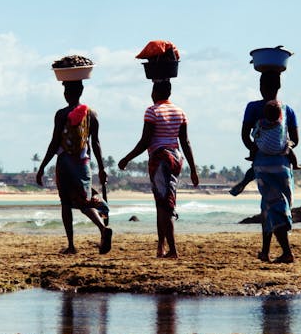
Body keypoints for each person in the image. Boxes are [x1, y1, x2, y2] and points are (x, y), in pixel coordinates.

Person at [118, 80, 199, 259]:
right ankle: (161, 247)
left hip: (160, 159)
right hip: (176, 159)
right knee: (161, 204)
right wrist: (193, 169)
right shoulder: (180, 112)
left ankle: (172, 250)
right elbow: (185, 142)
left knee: (165, 206)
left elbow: (145, 141)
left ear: (155, 92)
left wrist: (127, 158)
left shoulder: (152, 111)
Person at [36, 80, 112, 255]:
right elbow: (96, 143)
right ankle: (102, 228)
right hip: (84, 164)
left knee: (65, 203)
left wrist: (42, 167)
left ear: (66, 93)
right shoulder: (92, 114)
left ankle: (71, 245)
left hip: (65, 163)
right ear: (82, 90)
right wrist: (101, 168)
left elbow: (55, 142)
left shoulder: (61, 114)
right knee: (84, 200)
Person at [240, 71, 299, 263]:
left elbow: (244, 135)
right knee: (272, 207)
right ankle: (265, 252)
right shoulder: (288, 109)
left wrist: (256, 149)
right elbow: (295, 140)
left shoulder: (253, 108)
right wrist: (283, 148)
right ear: (278, 87)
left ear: (260, 86)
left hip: (263, 167)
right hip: (283, 166)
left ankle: (287, 252)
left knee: (272, 207)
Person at [229, 99, 301, 196]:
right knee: (289, 148)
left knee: (254, 161)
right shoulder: (280, 124)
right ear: (280, 115)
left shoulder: (261, 123)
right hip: (280, 151)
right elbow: (294, 140)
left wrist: (256, 144)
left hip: (262, 151)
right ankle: (295, 164)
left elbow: (252, 134)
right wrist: (289, 144)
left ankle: (247, 173)